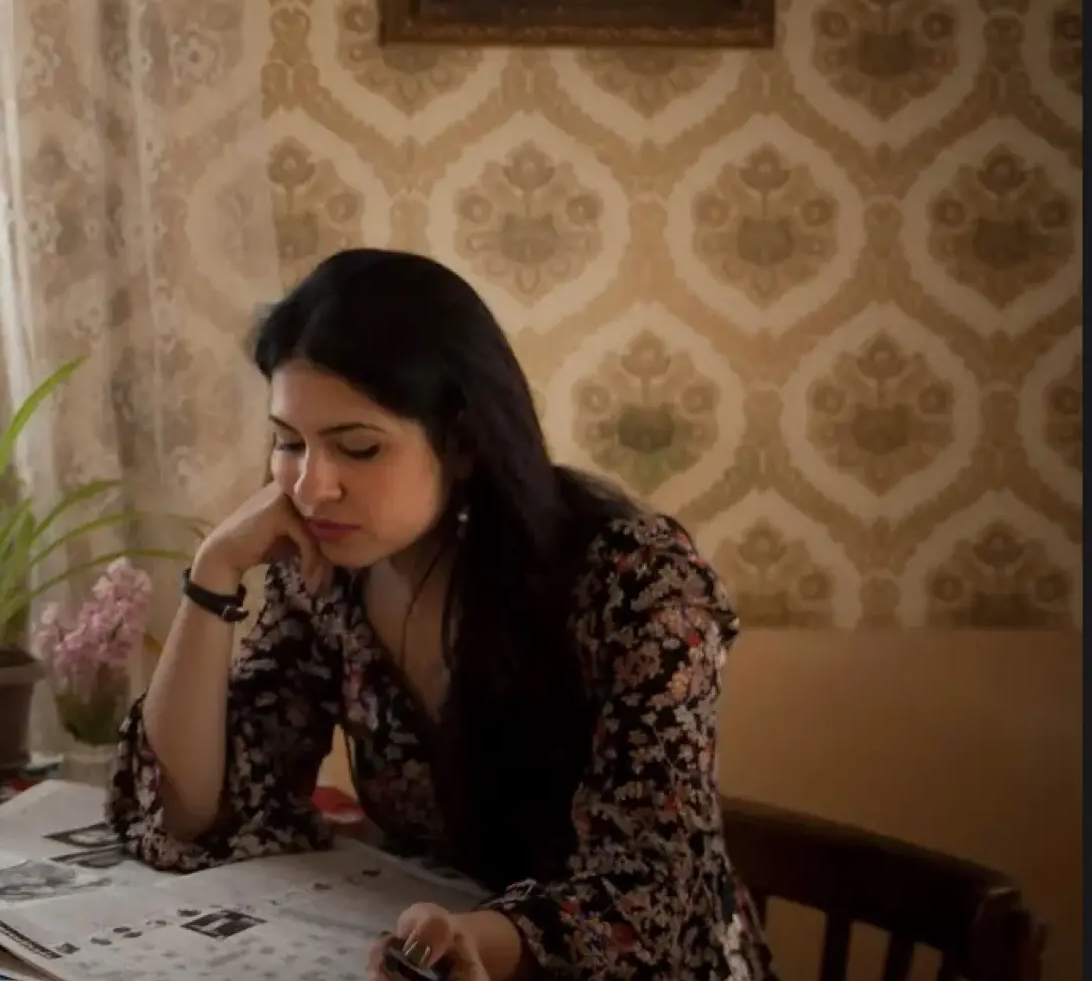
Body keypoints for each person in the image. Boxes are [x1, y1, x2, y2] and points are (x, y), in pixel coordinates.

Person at [110, 248, 774, 981]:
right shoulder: (329, 577)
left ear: (461, 442)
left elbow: (655, 895)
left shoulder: (635, 583)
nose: (311, 486)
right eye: (288, 442)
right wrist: (213, 575)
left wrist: (475, 938)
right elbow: (192, 812)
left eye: (356, 448)